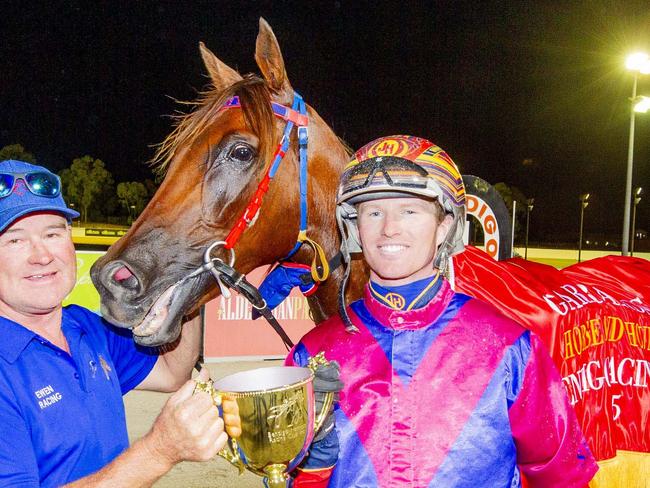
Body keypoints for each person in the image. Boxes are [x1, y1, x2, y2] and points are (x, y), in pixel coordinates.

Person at [286, 136, 599, 487]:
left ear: (445, 226)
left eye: (409, 210)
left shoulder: (510, 348)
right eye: (374, 212)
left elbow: (564, 477)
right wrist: (312, 464)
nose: (389, 228)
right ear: (355, 229)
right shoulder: (311, 354)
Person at [0, 159, 240, 487]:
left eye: (52, 233)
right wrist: (160, 449)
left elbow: (172, 372)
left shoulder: (85, 327)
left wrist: (191, 289)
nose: (41, 255)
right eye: (15, 240)